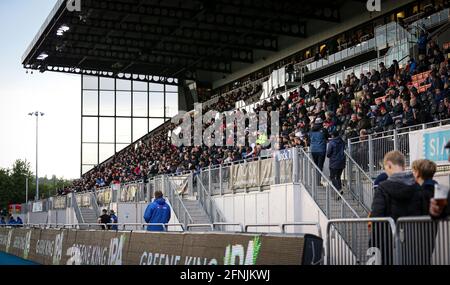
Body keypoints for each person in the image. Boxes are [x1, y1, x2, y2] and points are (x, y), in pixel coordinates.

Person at [370, 151, 425, 265]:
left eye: (385, 168)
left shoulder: (382, 188)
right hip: (414, 242)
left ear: (389, 165)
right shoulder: (417, 187)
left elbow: (377, 216)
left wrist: (374, 243)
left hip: (388, 243)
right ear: (404, 166)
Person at [309, 118, 329, 185]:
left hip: (313, 150)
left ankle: (315, 181)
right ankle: (318, 182)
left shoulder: (311, 130)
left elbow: (309, 138)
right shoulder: (324, 130)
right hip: (321, 150)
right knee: (320, 166)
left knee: (316, 166)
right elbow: (327, 138)